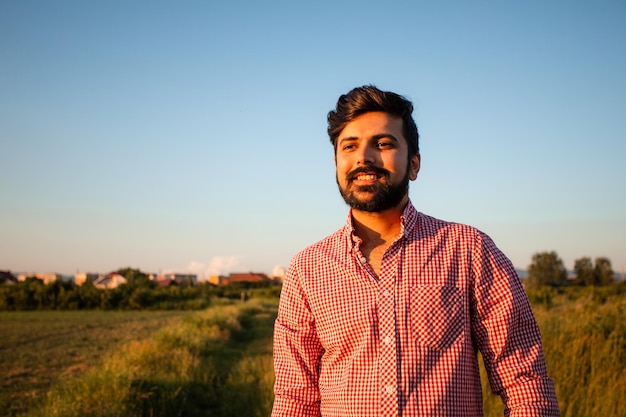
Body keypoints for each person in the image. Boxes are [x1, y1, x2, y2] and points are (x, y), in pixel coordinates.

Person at [272, 85, 559, 417]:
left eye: (383, 143)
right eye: (349, 146)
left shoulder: (469, 249)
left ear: (414, 164)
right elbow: (296, 397)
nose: (364, 157)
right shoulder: (308, 268)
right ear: (337, 163)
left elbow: (523, 380)